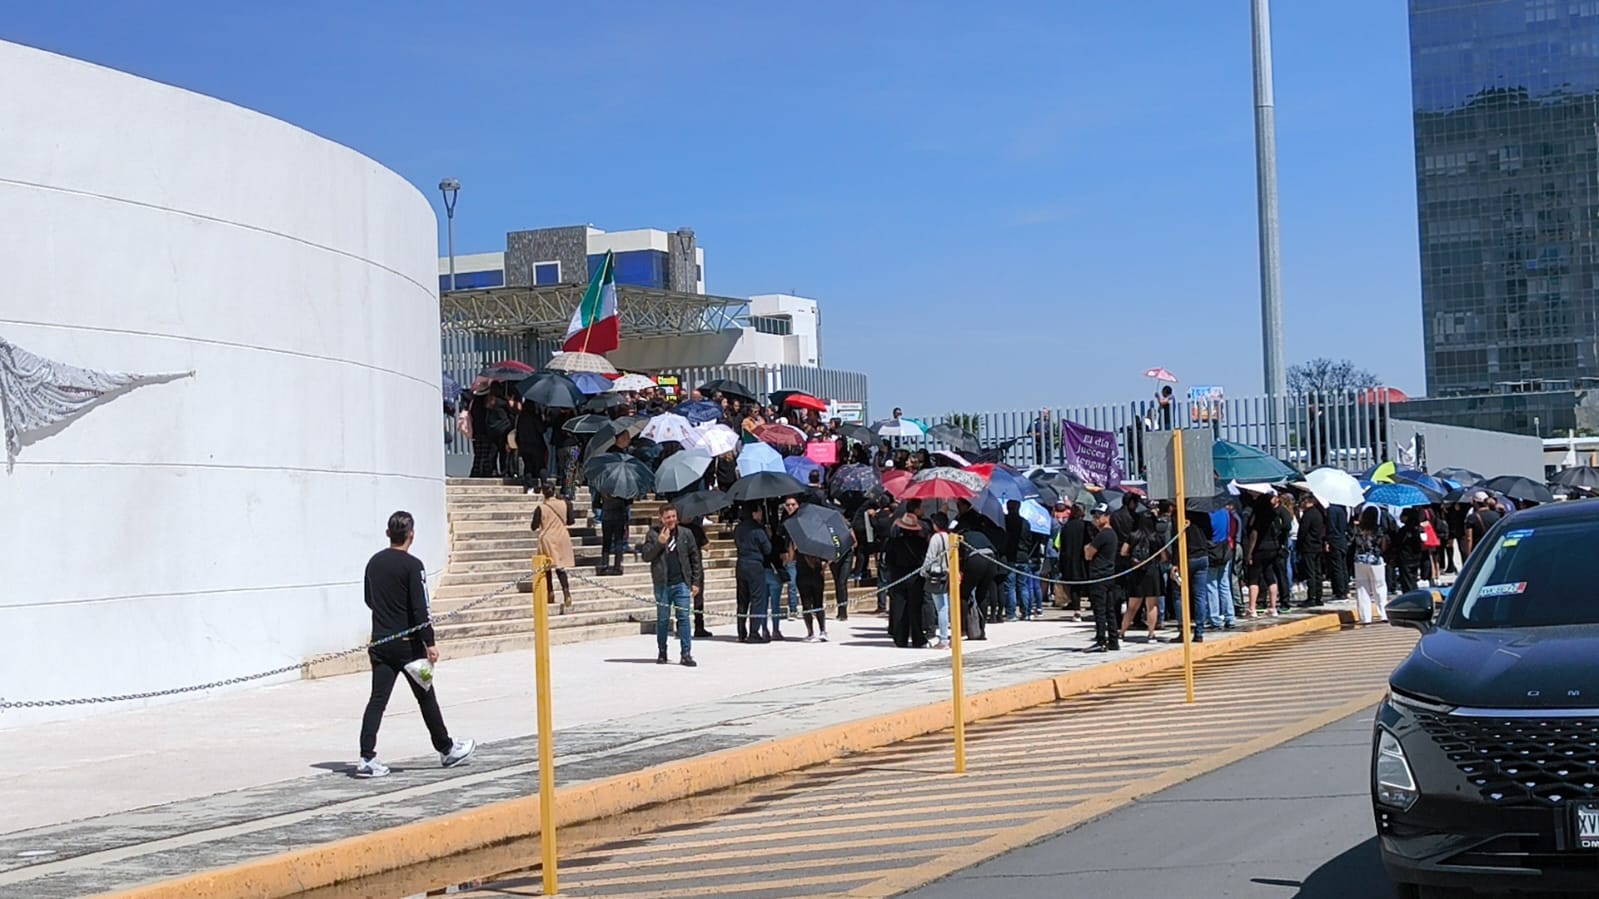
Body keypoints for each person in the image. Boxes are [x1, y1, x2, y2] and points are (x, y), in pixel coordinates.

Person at [357, 511, 476, 778]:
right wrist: (429, 642)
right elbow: (421, 607)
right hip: (409, 646)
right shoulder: (414, 566)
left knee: (377, 700)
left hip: (381, 642)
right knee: (426, 696)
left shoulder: (373, 563)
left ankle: (366, 757)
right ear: (411, 534)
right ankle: (446, 749)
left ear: (388, 533)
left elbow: (369, 599)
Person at [640, 504, 702, 667]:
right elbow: (646, 556)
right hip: (662, 584)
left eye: (673, 516)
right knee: (663, 620)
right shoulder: (653, 535)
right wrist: (660, 543)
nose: (671, 520)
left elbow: (695, 558)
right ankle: (662, 651)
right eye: (667, 517)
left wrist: (695, 581)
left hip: (681, 582)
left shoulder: (686, 534)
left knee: (684, 619)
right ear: (661, 518)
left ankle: (686, 654)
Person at [883, 501, 931, 648]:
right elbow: (925, 558)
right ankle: (917, 637)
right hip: (915, 577)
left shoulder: (894, 541)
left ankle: (900, 638)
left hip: (898, 576)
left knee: (898, 607)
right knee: (915, 608)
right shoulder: (921, 542)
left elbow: (888, 560)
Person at [1118, 509, 1162, 643]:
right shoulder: (1155, 537)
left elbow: (1123, 552)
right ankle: (1151, 634)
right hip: (1151, 572)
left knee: (1132, 606)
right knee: (1152, 605)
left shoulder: (1133, 536)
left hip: (1136, 572)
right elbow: (1164, 556)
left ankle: (1122, 632)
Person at [530, 482, 574, 611]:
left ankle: (550, 593)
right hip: (562, 536)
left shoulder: (541, 508)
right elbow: (571, 521)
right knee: (560, 567)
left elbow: (534, 526)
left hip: (548, 538)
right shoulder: (565, 504)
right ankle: (566, 593)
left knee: (547, 567)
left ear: (543, 493)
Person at [733, 506, 772, 643]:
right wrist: (767, 535)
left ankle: (741, 632)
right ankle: (754, 632)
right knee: (757, 598)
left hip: (741, 563)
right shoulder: (758, 529)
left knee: (742, 600)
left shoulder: (738, 528)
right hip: (755, 565)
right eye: (759, 511)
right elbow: (767, 549)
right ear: (754, 513)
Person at [1084, 504, 1120, 652]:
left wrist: (1087, 547)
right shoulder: (1111, 534)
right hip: (1109, 575)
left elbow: (1088, 555)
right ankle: (1113, 640)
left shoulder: (1103, 534)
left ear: (1107, 517)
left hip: (1099, 576)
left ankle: (1101, 640)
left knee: (1100, 610)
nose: (1096, 519)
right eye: (1095, 516)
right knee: (1109, 609)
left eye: (1100, 516)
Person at [1244, 493, 1284, 617]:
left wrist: (1249, 553)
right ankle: (1273, 607)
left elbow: (1254, 534)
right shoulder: (1274, 515)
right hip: (1273, 548)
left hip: (1260, 549)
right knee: (1270, 576)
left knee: (1254, 578)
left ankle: (1252, 608)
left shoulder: (1259, 515)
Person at [1351, 506, 1390, 625]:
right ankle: (1383, 613)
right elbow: (1383, 546)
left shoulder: (1358, 529)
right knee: (1379, 587)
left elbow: (1352, 543)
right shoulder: (1378, 530)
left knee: (1362, 589)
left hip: (1360, 561)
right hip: (1375, 561)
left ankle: (1365, 617)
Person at [923, 512, 953, 649]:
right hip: (949, 573)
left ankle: (944, 638)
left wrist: (923, 571)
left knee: (941, 607)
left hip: (937, 574)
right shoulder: (950, 537)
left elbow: (930, 557)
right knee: (948, 606)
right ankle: (951, 636)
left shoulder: (936, 538)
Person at [1297, 495, 1328, 608]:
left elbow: (1303, 531)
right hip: (1317, 545)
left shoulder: (1308, 514)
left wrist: (1299, 545)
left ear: (1307, 502)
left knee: (1311, 572)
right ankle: (1318, 596)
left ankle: (1312, 597)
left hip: (1309, 546)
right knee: (1317, 572)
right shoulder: (1319, 513)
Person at [796, 553, 829, 642]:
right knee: (819, 604)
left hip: (803, 575)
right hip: (817, 575)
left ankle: (810, 633)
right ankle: (822, 630)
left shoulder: (798, 544)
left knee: (806, 605)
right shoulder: (818, 545)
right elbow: (825, 562)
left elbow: (791, 558)